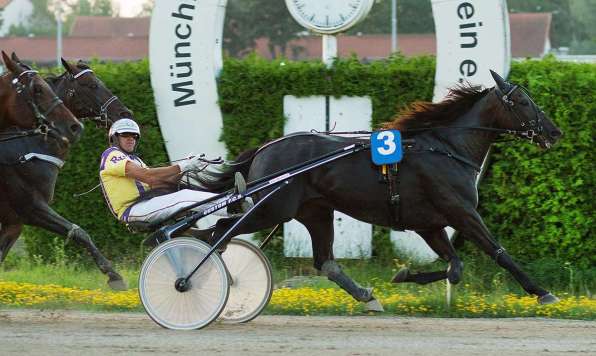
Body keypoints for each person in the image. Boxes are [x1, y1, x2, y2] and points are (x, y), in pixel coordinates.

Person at [99, 118, 247, 227]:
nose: (131, 139)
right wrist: (181, 166)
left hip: (146, 204)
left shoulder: (135, 160)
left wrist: (188, 167)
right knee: (184, 197)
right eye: (125, 135)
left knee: (184, 193)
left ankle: (231, 203)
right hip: (132, 210)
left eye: (134, 136)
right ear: (114, 138)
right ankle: (232, 206)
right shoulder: (111, 154)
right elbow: (147, 175)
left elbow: (157, 182)